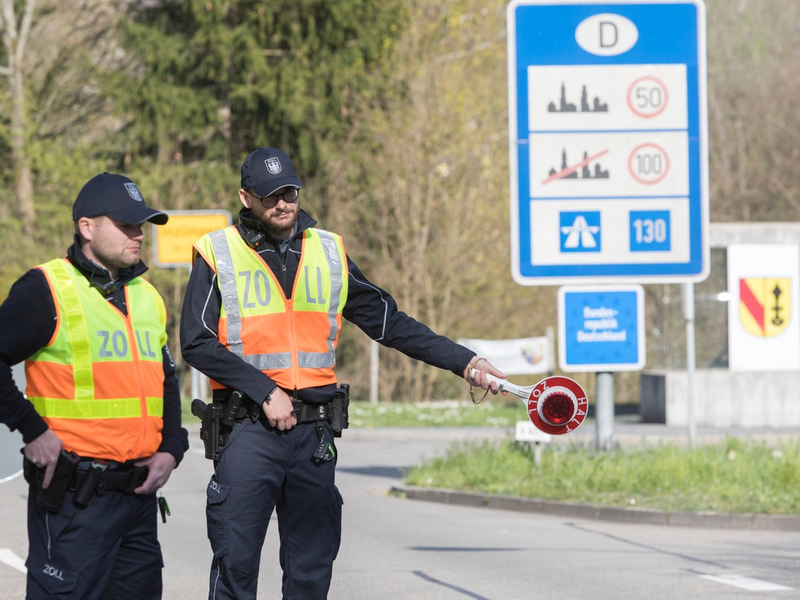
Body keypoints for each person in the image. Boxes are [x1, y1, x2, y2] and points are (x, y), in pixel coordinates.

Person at [180, 147, 505, 600]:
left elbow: (390, 322)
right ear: (246, 197)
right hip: (247, 430)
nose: (283, 204)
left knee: (311, 573)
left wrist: (465, 362)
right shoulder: (218, 252)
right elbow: (195, 341)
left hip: (312, 433)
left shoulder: (328, 250)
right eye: (271, 195)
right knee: (236, 570)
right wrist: (263, 390)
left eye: (290, 192)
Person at [0, 173, 189, 599]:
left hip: (138, 500)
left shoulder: (146, 295)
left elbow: (165, 379)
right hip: (74, 502)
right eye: (125, 225)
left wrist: (172, 447)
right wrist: (31, 429)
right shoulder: (46, 289)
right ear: (87, 227)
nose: (138, 235)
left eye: (141, 225)